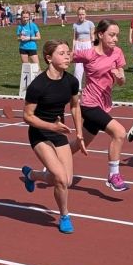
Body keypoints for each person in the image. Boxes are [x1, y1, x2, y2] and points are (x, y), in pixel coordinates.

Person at [19, 40, 83, 233]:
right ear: (49, 58)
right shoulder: (38, 85)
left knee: (67, 181)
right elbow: (27, 116)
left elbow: (74, 106)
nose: (67, 56)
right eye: (62, 53)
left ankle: (32, 175)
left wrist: (79, 133)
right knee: (61, 179)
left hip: (58, 131)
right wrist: (51, 127)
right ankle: (64, 215)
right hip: (40, 132)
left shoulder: (71, 81)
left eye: (68, 53)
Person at [68, 19, 130, 192]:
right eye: (111, 35)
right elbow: (67, 57)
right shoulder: (89, 54)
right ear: (100, 35)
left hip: (104, 105)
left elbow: (122, 81)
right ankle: (113, 176)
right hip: (89, 104)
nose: (115, 39)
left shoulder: (117, 53)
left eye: (117, 35)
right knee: (119, 132)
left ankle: (54, 159)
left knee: (81, 144)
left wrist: (120, 77)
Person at [70, 6, 95, 84]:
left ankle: (90, 85)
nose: (81, 16)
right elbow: (74, 38)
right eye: (79, 14)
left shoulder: (90, 23)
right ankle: (78, 87)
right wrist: (73, 50)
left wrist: (93, 47)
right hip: (78, 45)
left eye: (83, 14)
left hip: (88, 45)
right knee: (78, 68)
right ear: (77, 15)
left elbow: (92, 36)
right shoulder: (75, 25)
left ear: (85, 14)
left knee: (89, 66)